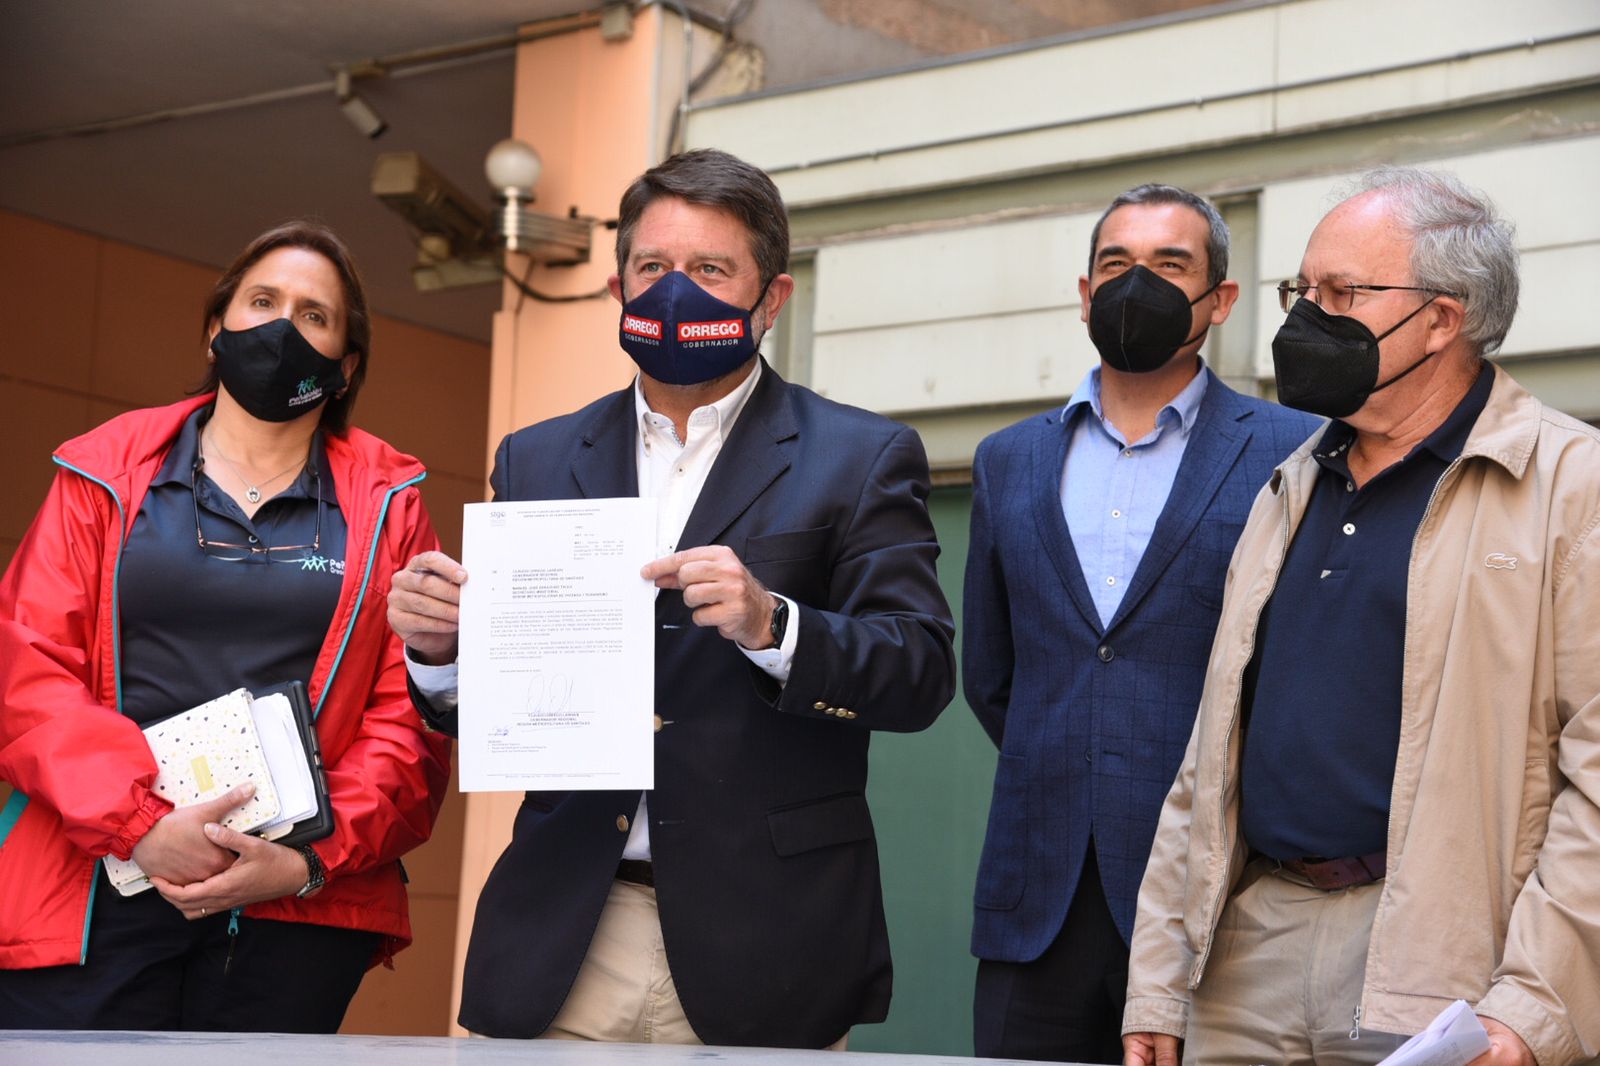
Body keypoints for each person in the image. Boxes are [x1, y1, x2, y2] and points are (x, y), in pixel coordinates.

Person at [387, 147, 956, 1049]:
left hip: (770, 940)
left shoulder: (859, 456)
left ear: (772, 298)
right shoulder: (537, 458)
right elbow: (495, 704)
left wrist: (772, 624)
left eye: (710, 269)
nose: (675, 291)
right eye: (652, 267)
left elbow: (919, 672)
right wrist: (440, 652)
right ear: (619, 288)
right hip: (565, 932)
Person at [1124, 167, 1600, 1066]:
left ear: (1443, 318)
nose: (1306, 318)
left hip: (1445, 963)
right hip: (1247, 951)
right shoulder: (1288, 486)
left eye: (1342, 293)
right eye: (1301, 290)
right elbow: (1208, 757)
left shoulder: (1572, 486)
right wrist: (1159, 980)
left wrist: (1536, 1003)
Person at [0, 221, 453, 1032]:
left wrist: (304, 859)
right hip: (100, 876)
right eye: (262, 302)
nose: (283, 329)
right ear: (216, 328)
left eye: (314, 316)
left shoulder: (392, 506)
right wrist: (140, 827)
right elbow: (27, 666)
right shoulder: (104, 471)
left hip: (291, 904)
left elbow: (406, 721)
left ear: (346, 365)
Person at [961, 184, 1319, 1063]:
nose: (1137, 285)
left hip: (1217, 905)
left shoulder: (1297, 451)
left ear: (1220, 299)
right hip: (1036, 899)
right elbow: (994, 678)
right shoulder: (1008, 460)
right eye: (1117, 264)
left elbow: (1297, 673)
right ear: (1086, 294)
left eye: (1169, 264)